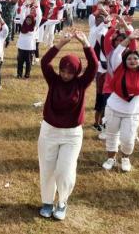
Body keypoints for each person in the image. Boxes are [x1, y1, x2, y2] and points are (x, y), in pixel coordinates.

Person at [38, 30, 97, 221]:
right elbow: (44, 62)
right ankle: (47, 202)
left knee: (65, 171)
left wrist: (86, 44)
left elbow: (94, 66)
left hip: (72, 134)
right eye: (63, 70)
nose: (65, 75)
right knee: (47, 169)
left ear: (76, 72)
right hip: (49, 130)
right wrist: (60, 44)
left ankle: (62, 202)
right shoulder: (53, 80)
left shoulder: (81, 83)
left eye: (70, 72)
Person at [102, 30, 139, 172]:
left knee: (128, 138)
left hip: (132, 113)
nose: (132, 61)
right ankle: (111, 158)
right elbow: (117, 53)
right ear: (125, 62)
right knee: (112, 135)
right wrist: (129, 38)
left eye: (136, 59)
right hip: (113, 109)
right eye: (129, 59)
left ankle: (125, 158)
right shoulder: (119, 69)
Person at [16, 14, 39, 79]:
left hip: (29, 48)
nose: (28, 21)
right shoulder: (23, 26)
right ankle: (19, 74)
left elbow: (39, 17)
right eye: (27, 20)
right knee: (20, 61)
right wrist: (25, 6)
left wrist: (37, 7)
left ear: (32, 21)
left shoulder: (34, 28)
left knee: (28, 62)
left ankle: (27, 74)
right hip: (21, 47)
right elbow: (21, 15)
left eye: (30, 20)